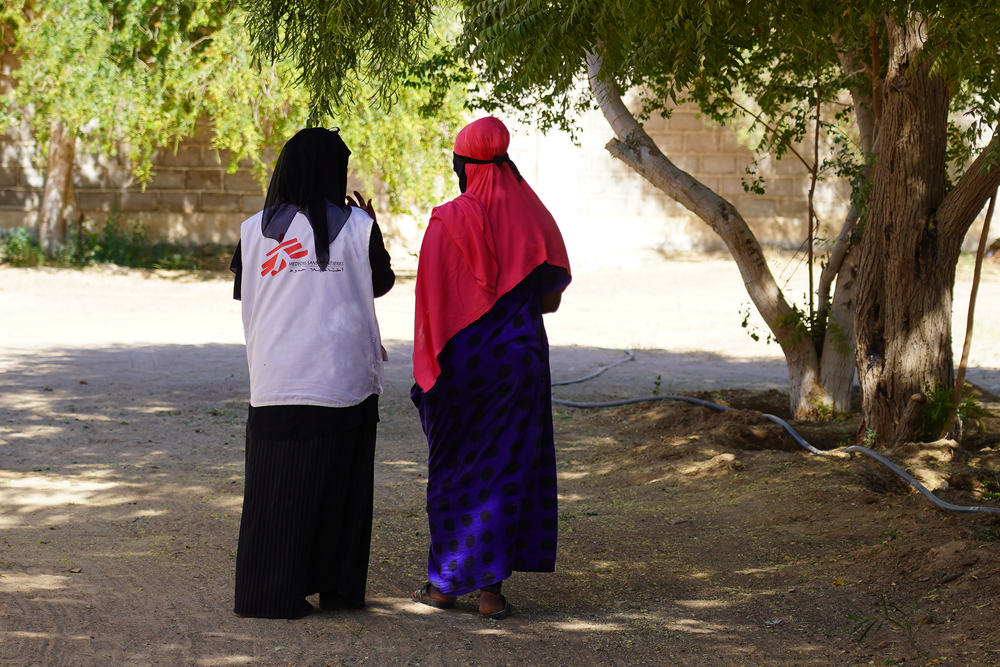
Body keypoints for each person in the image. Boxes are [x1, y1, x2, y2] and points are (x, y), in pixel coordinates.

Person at [229, 127, 394, 619]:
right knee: (341, 488)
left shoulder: (252, 229)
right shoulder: (359, 227)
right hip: (341, 378)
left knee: (275, 491)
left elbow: (244, 293)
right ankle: (337, 588)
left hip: (275, 375)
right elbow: (381, 284)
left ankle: (267, 592)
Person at [409, 116, 571, 619]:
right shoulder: (535, 216)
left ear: (463, 165)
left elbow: (432, 306)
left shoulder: (445, 221)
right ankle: (491, 596)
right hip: (518, 361)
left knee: (456, 466)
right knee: (506, 471)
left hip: (460, 365)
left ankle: (443, 586)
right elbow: (550, 303)